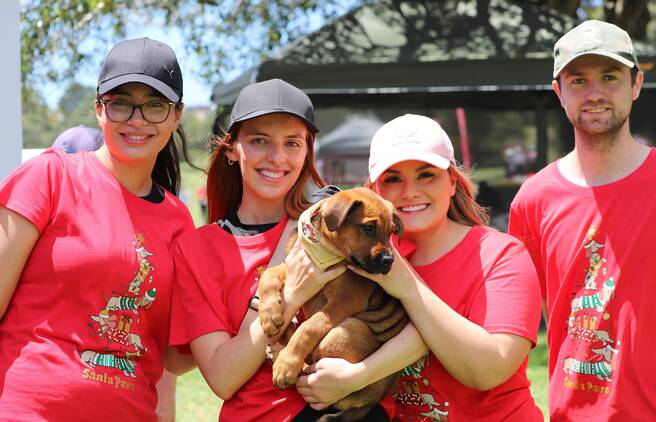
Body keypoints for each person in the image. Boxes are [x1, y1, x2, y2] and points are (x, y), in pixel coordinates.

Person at [508, 20, 656, 421]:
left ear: (636, 85)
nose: (595, 93)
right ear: (558, 92)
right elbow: (545, 314)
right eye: (578, 80)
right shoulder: (533, 199)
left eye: (610, 76)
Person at [168, 79, 392, 421]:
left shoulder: (342, 221)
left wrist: (360, 376)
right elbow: (223, 379)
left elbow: (409, 315)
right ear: (231, 149)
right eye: (259, 141)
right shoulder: (197, 250)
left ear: (307, 152)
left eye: (292, 143)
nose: (277, 157)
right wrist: (293, 293)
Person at [295, 114, 544, 421]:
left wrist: (357, 376)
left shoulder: (501, 255)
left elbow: (489, 371)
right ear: (372, 190)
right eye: (393, 179)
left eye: (426, 175)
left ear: (453, 183)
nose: (410, 191)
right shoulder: (363, 257)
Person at [0, 37, 196, 420]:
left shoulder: (179, 220)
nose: (136, 119)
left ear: (176, 116)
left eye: (155, 106)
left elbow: (172, 354)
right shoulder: (50, 177)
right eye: (121, 102)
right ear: (99, 109)